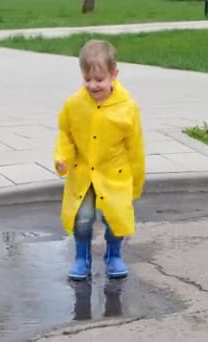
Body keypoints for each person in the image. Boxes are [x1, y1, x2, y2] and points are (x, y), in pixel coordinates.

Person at [53, 39, 145, 281]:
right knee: (82, 219)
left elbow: (135, 148)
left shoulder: (127, 108)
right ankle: (81, 257)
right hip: (83, 173)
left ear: (114, 74)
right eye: (87, 79)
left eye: (99, 80)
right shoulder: (74, 105)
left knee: (115, 218)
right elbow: (66, 134)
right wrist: (62, 158)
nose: (93, 85)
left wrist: (136, 183)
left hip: (115, 174)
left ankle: (114, 255)